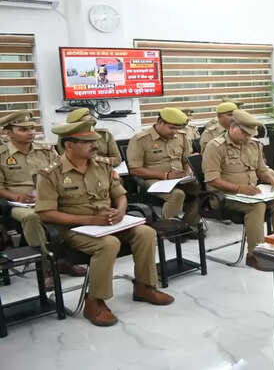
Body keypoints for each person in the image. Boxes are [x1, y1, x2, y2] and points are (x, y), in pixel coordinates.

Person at [36, 120, 174, 327]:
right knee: (109, 244)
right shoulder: (51, 173)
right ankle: (95, 301)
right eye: (87, 142)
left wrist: (120, 211)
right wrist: (90, 220)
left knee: (145, 232)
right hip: (75, 229)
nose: (95, 145)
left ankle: (144, 287)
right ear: (69, 145)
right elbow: (46, 213)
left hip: (109, 223)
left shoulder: (102, 165)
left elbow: (120, 195)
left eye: (95, 141)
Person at [0, 111, 86, 278]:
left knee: (77, 206)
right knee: (32, 217)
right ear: (8, 132)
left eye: (32, 128)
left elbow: (62, 172)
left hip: (49, 196)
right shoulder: (2, 155)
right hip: (19, 202)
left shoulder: (46, 150)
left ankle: (65, 260)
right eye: (23, 129)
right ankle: (47, 266)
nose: (30, 132)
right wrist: (16, 197)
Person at [202, 109, 274, 271]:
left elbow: (261, 170)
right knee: (257, 206)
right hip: (225, 196)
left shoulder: (253, 144)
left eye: (250, 134)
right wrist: (239, 188)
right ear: (232, 127)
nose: (248, 137)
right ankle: (255, 255)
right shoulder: (215, 146)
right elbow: (212, 180)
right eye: (245, 133)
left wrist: (273, 181)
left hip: (251, 194)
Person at [127, 108, 200, 229]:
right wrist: (166, 176)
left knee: (203, 189)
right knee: (177, 194)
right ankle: (169, 229)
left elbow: (186, 160)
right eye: (171, 128)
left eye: (177, 129)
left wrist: (188, 172)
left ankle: (188, 225)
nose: (175, 132)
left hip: (179, 178)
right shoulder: (140, 139)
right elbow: (135, 169)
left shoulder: (181, 136)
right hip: (154, 180)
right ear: (160, 122)